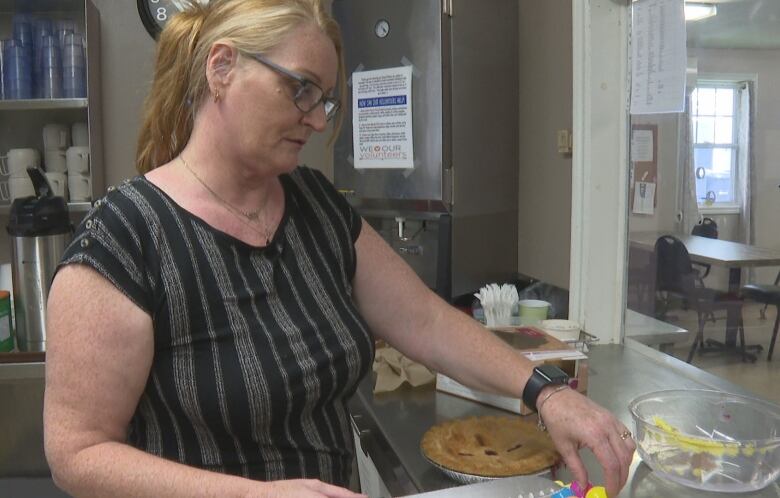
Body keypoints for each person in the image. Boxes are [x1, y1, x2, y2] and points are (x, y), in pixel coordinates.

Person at [43, 1, 635, 497]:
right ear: (222, 68)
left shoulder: (315, 205)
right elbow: (78, 452)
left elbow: (425, 321)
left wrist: (546, 391)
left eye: (325, 99)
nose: (319, 120)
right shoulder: (124, 238)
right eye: (301, 90)